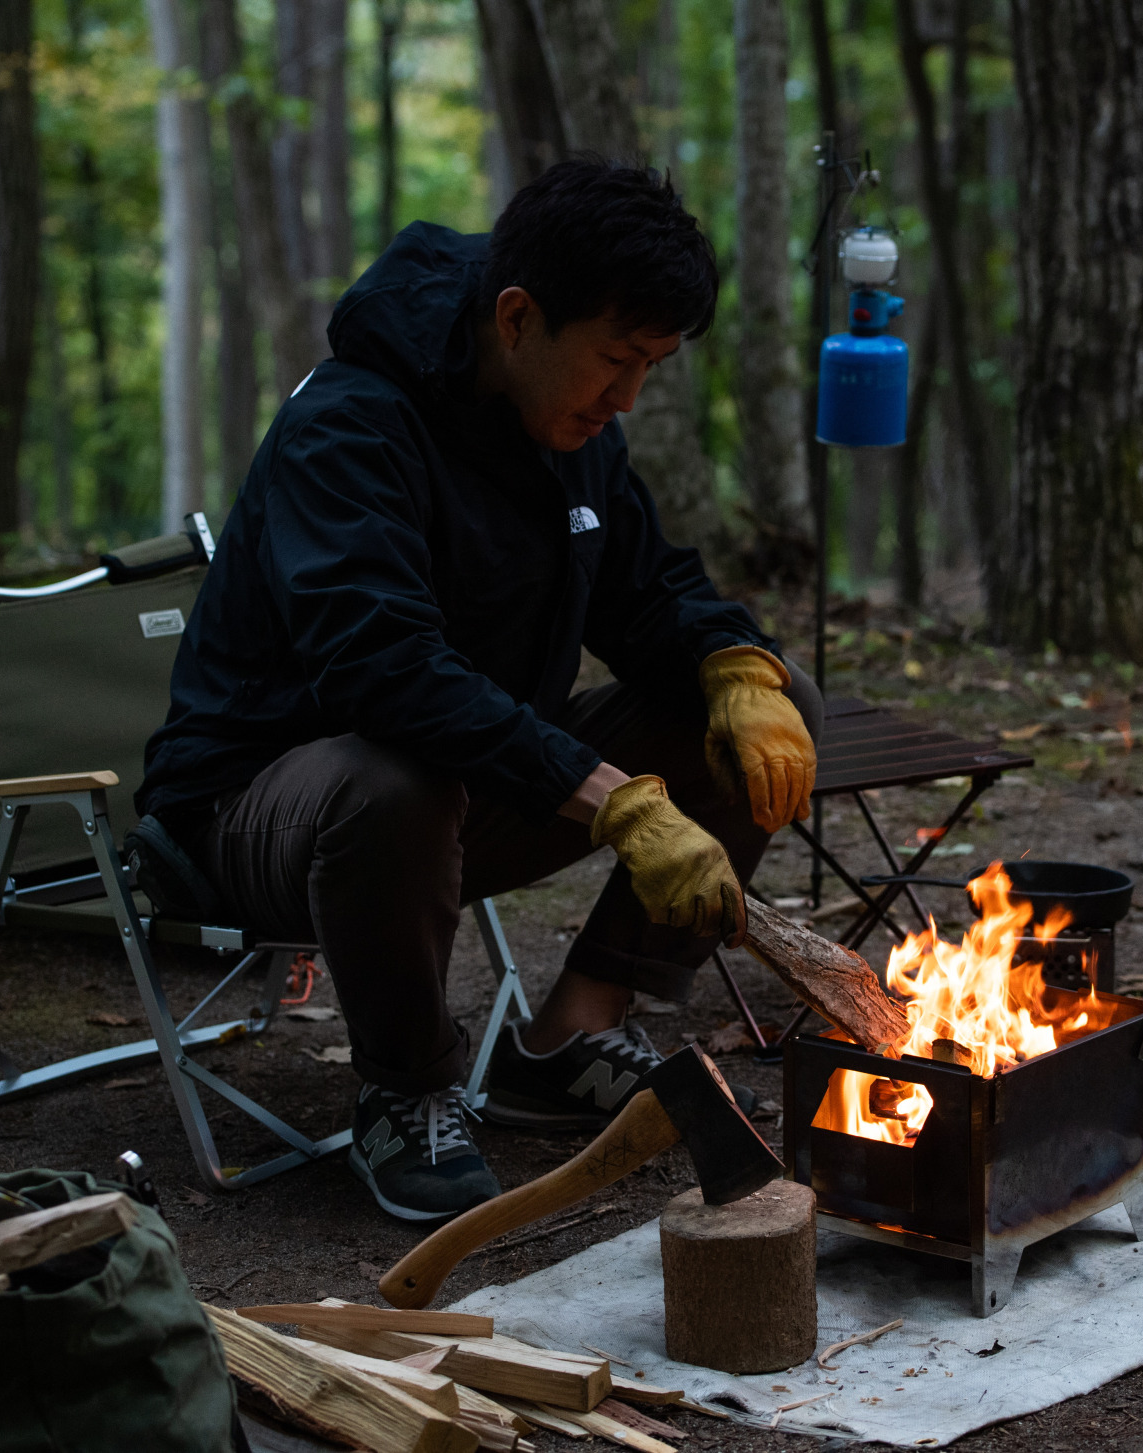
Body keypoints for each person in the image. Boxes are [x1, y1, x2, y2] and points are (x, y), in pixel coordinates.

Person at [129, 158, 819, 1223]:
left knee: (757, 708)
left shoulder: (568, 423)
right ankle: (406, 1092)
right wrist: (612, 800)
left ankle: (568, 1037)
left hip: (459, 796)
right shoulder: (352, 425)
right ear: (516, 317)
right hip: (260, 813)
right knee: (392, 776)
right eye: (615, 361)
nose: (627, 395)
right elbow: (382, 669)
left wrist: (737, 665)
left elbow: (647, 592)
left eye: (652, 367)